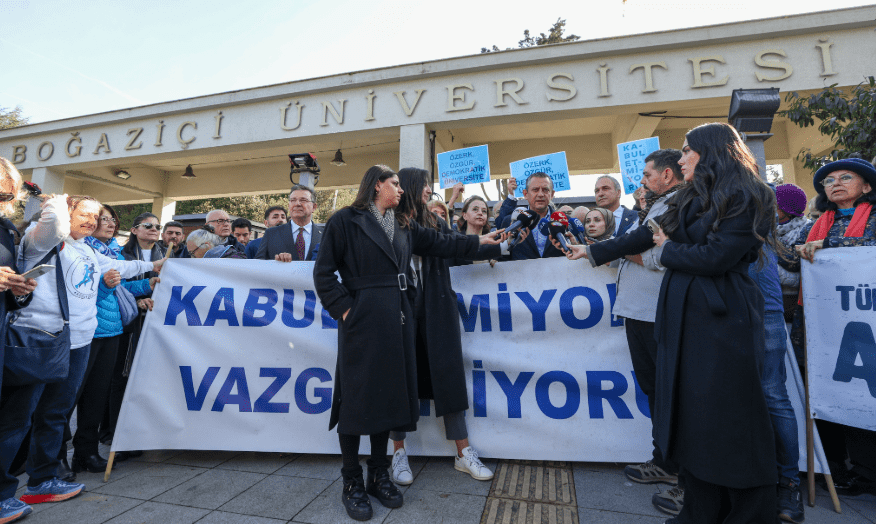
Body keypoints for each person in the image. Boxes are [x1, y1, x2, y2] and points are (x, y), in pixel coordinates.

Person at [564, 123, 780, 523]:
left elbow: (716, 257)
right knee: (691, 415)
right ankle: (700, 509)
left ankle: (745, 513)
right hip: (683, 316)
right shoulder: (690, 196)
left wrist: (668, 250)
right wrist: (593, 251)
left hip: (722, 319)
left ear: (710, 152)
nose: (680, 160)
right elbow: (645, 236)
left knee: (726, 416)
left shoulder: (749, 194)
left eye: (686, 151)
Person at [313, 165, 506, 521]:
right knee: (355, 401)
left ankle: (378, 475)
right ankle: (352, 482)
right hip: (362, 323)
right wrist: (347, 311)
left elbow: (442, 243)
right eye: (395, 184)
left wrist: (480, 242)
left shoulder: (403, 224)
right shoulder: (345, 220)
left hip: (397, 319)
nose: (401, 189)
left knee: (386, 399)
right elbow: (323, 273)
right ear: (377, 186)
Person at [0, 195, 164, 516]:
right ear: (67, 213)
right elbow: (52, 224)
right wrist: (59, 200)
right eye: (84, 214)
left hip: (80, 342)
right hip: (42, 340)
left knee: (55, 413)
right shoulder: (42, 240)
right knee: (18, 420)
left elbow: (119, 266)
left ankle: (42, 482)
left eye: (96, 216)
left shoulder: (87, 248)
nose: (91, 221)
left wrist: (153, 266)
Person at [577, 149, 686, 516]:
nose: (642, 183)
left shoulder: (677, 203)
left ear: (667, 176)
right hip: (639, 312)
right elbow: (639, 246)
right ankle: (665, 461)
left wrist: (603, 251)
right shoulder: (659, 204)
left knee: (670, 394)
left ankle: (683, 472)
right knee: (654, 390)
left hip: (657, 313)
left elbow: (653, 254)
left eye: (647, 175)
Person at [388, 169, 500, 488]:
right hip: (400, 311)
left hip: (438, 309)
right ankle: (398, 453)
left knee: (449, 378)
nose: (429, 190)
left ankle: (463, 453)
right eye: (424, 185)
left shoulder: (437, 222)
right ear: (410, 187)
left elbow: (457, 248)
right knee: (399, 379)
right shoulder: (387, 223)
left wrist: (494, 248)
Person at [781, 156, 876, 498]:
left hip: (864, 325)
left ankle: (867, 473)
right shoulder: (817, 223)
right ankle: (833, 468)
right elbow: (793, 259)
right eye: (829, 180)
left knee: (862, 392)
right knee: (824, 392)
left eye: (845, 177)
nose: (835, 184)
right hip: (820, 325)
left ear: (866, 186)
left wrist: (829, 245)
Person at [66, 205, 156, 474]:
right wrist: (106, 285)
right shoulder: (79, 250)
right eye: (100, 219)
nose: (109, 224)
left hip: (113, 330)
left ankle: (86, 453)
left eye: (111, 220)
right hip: (88, 333)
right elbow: (83, 291)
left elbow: (120, 287)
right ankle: (54, 457)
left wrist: (147, 285)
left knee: (96, 397)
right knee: (68, 399)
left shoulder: (111, 253)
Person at [102, 212, 167, 451]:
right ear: (134, 230)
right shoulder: (122, 255)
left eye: (157, 226)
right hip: (128, 324)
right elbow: (117, 285)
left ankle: (141, 431)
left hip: (156, 323)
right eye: (147, 225)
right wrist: (137, 300)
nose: (154, 229)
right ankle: (113, 431)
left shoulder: (168, 255)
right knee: (121, 376)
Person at [0, 158, 38, 524]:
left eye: (9, 196)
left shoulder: (6, 229)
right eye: (0, 195)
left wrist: (19, 289)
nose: (6, 203)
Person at [500, 173, 564, 260]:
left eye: (545, 190)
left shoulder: (564, 221)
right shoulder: (509, 221)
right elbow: (503, 256)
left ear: (552, 194)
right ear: (525, 194)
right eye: (535, 190)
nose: (540, 194)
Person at [256, 185, 323, 262]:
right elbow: (258, 263)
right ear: (289, 205)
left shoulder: (325, 235)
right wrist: (276, 262)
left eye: (303, 200)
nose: (297, 204)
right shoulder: (271, 234)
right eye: (293, 200)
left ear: (314, 207)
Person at [773, 184, 810, 322]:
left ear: (787, 209)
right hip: (773, 296)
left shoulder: (807, 229)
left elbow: (799, 268)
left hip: (796, 299)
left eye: (774, 205)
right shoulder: (768, 228)